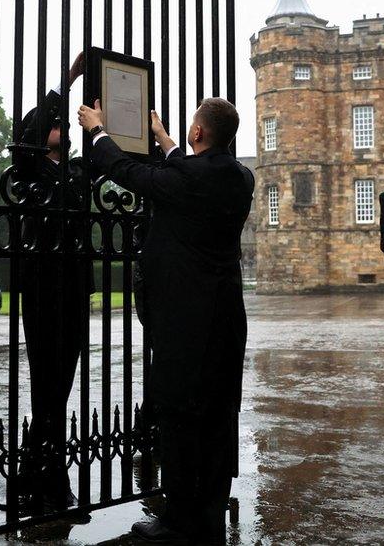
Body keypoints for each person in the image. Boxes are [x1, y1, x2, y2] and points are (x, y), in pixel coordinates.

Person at [78, 96, 254, 543]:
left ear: (198, 132)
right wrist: (166, 141)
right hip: (226, 320)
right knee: (218, 418)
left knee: (177, 416)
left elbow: (131, 173)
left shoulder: (189, 179)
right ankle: (209, 515)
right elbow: (193, 172)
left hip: (184, 322)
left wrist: (99, 131)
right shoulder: (240, 177)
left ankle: (178, 520)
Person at [11, 51, 92, 512]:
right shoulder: (29, 169)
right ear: (39, 137)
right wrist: (69, 78)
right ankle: (46, 479)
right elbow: (41, 117)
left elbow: (115, 154)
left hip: (75, 286)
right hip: (42, 284)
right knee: (47, 382)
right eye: (53, 123)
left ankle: (32, 472)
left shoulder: (75, 171)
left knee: (59, 384)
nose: (62, 124)